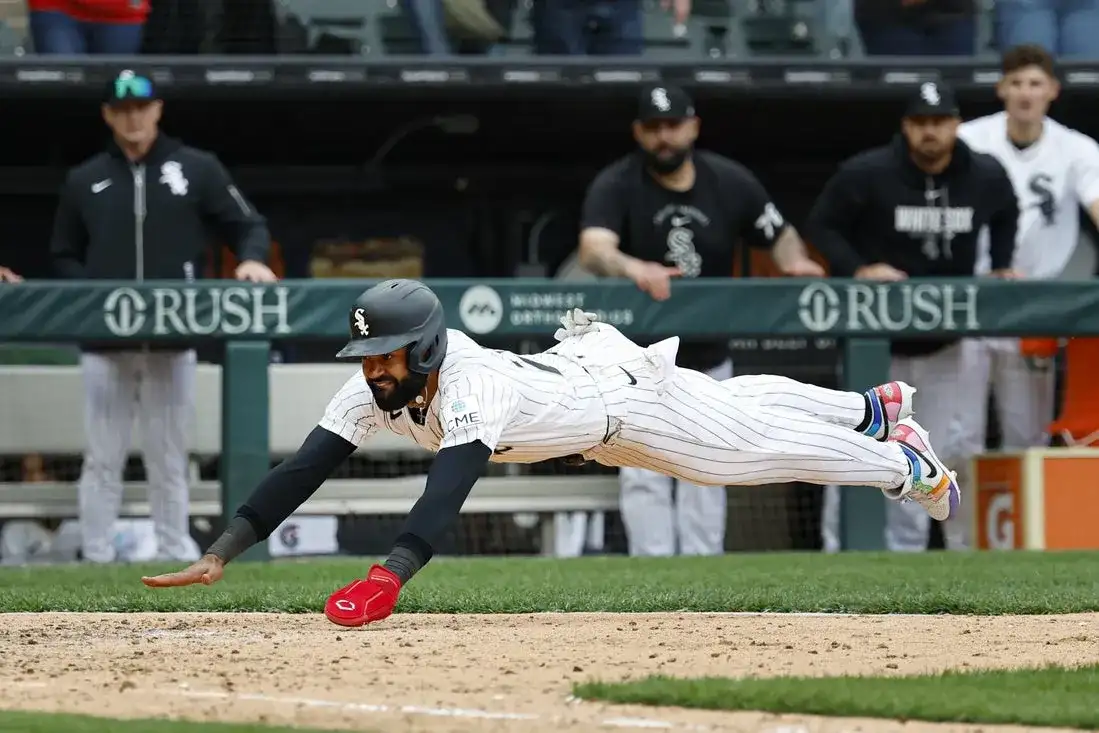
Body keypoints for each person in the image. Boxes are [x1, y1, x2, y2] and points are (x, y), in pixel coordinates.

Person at [141, 278, 959, 627]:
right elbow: (304, 466)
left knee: (745, 450)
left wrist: (387, 574)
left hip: (625, 407)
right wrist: (224, 549)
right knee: (740, 407)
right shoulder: (372, 389)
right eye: (368, 354)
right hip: (590, 385)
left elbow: (445, 491)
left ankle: (905, 465)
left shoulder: (467, 384)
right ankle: (871, 406)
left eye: (388, 353)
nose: (374, 367)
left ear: (424, 349)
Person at [577, 84, 823, 558]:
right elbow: (594, 248)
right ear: (638, 133)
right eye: (653, 128)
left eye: (673, 126)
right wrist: (635, 268)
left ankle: (702, 574)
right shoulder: (619, 182)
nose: (664, 137)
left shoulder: (728, 180)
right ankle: (652, 573)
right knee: (642, 470)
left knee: (708, 469)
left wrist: (794, 261)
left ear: (693, 126)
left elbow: (779, 233)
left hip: (709, 355)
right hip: (637, 359)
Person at [50, 68, 277, 564]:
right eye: (122, 109)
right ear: (108, 115)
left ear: (157, 110)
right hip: (105, 342)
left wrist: (252, 257)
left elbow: (246, 223)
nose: (133, 118)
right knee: (103, 457)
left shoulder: (195, 167)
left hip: (175, 335)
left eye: (142, 107)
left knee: (170, 456)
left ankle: (177, 553)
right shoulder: (86, 178)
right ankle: (96, 556)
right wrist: (91, 296)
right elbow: (64, 252)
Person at [806, 81, 1019, 553]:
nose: (931, 132)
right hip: (875, 346)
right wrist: (858, 269)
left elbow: (1006, 209)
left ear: (956, 124)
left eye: (940, 122)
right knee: (857, 452)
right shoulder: (869, 171)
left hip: (948, 343)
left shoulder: (983, 173)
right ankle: (844, 554)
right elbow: (822, 222)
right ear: (907, 126)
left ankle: (930, 556)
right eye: (921, 123)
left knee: (940, 452)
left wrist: (1001, 262)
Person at [951, 44, 1099, 547]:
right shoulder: (971, 139)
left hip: (1034, 306)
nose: (1025, 93)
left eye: (1035, 84)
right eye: (1016, 83)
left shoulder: (1077, 148)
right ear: (1001, 90)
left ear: (1052, 91)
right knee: (959, 436)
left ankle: (1022, 548)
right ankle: (959, 548)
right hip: (972, 299)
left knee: (1026, 437)